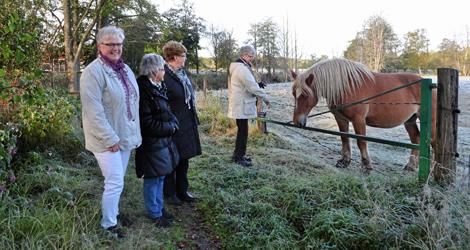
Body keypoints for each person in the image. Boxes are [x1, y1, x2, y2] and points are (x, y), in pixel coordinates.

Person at [80, 26, 141, 238]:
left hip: (123, 134)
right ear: (100, 46)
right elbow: (94, 111)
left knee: (118, 180)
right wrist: (109, 138)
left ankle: (113, 214)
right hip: (105, 139)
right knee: (114, 181)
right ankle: (108, 226)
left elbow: (131, 102)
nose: (116, 48)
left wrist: (131, 134)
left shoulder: (124, 69)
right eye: (110, 44)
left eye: (119, 44)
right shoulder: (92, 72)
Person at [135, 53, 180, 228]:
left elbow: (167, 112)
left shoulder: (158, 86)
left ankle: (159, 209)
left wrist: (173, 123)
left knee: (160, 176)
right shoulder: (143, 90)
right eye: (162, 68)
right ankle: (154, 213)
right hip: (152, 143)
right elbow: (146, 123)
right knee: (153, 178)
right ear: (153, 71)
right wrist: (170, 128)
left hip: (162, 142)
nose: (164, 71)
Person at [162, 41, 202, 205]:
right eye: (183, 55)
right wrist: (168, 122)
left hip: (186, 122)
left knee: (184, 159)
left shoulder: (182, 74)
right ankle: (170, 194)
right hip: (173, 124)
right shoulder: (163, 74)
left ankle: (182, 190)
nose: (185, 58)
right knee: (172, 160)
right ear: (175, 57)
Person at [227, 45, 270, 167]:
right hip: (241, 104)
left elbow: (247, 84)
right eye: (250, 56)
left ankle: (239, 155)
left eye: (252, 56)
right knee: (243, 132)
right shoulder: (241, 69)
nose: (251, 59)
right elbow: (251, 87)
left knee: (242, 131)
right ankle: (238, 157)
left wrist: (258, 84)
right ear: (243, 55)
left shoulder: (240, 67)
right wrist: (265, 97)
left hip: (240, 103)